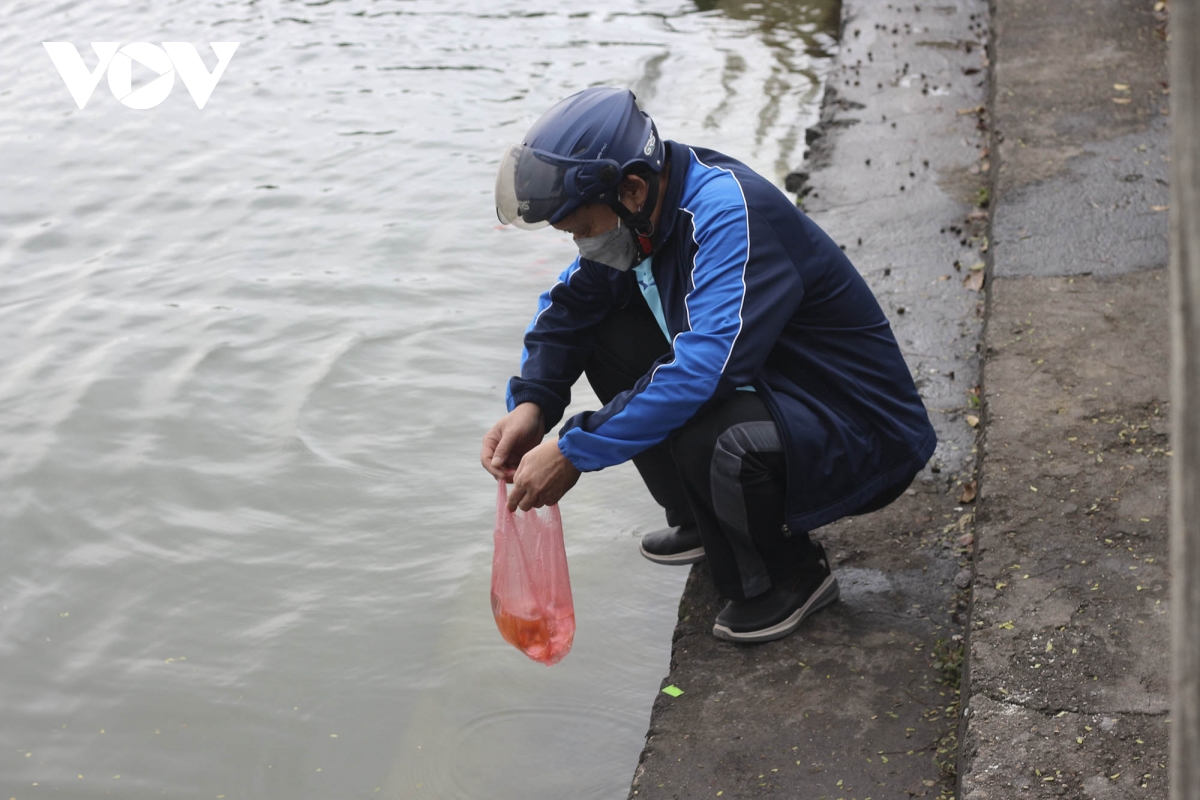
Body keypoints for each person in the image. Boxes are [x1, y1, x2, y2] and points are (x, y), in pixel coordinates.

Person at [480, 87, 936, 643]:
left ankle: (789, 576)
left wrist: (575, 450)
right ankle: (703, 520)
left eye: (582, 229)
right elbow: (569, 310)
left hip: (858, 426)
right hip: (778, 386)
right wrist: (532, 406)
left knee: (708, 430)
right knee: (605, 335)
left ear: (631, 189)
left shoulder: (724, 211)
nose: (581, 244)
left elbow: (704, 372)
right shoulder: (643, 216)